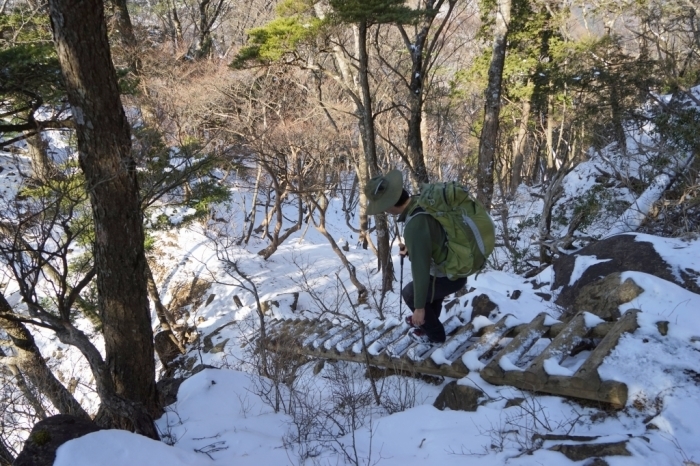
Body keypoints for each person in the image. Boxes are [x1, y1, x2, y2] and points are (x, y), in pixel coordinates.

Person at [365, 169, 476, 344]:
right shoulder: (420, 202)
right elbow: (433, 239)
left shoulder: (414, 225)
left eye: (384, 207)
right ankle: (426, 325)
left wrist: (418, 309)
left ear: (391, 203)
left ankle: (436, 336)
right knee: (429, 291)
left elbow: (421, 269)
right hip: (453, 267)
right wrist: (412, 249)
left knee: (410, 293)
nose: (385, 211)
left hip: (450, 275)